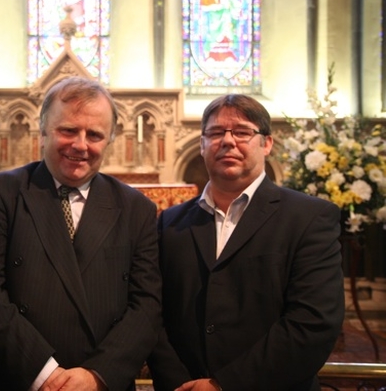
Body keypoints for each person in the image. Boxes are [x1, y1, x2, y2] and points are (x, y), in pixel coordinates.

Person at [0, 76, 162, 391]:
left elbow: (147, 307)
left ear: (109, 139)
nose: (80, 145)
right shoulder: (3, 193)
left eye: (95, 134)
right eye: (68, 130)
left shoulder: (135, 208)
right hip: (21, 377)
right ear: (43, 131)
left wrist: (97, 375)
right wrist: (45, 374)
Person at [147, 94, 345, 390]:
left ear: (266, 143)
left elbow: (313, 322)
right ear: (201, 145)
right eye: (215, 133)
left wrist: (223, 385)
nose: (228, 141)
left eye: (242, 132)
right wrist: (179, 382)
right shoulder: (171, 223)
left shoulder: (309, 218)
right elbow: (153, 312)